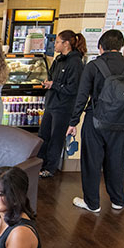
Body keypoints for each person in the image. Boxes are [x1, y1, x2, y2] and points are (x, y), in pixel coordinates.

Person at [66, 29, 124, 213]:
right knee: (116, 160)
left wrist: (73, 122)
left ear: (101, 46)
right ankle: (118, 200)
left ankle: (92, 203)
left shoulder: (94, 66)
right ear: (121, 46)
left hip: (95, 120)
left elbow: (82, 95)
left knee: (92, 161)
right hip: (120, 122)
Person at [38, 30, 86, 178]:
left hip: (63, 107)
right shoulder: (58, 60)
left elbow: (74, 88)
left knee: (56, 138)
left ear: (66, 44)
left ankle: (49, 169)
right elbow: (53, 78)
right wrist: (48, 84)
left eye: (58, 42)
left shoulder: (76, 63)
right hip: (52, 104)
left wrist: (54, 85)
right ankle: (39, 164)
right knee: (43, 136)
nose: (55, 44)